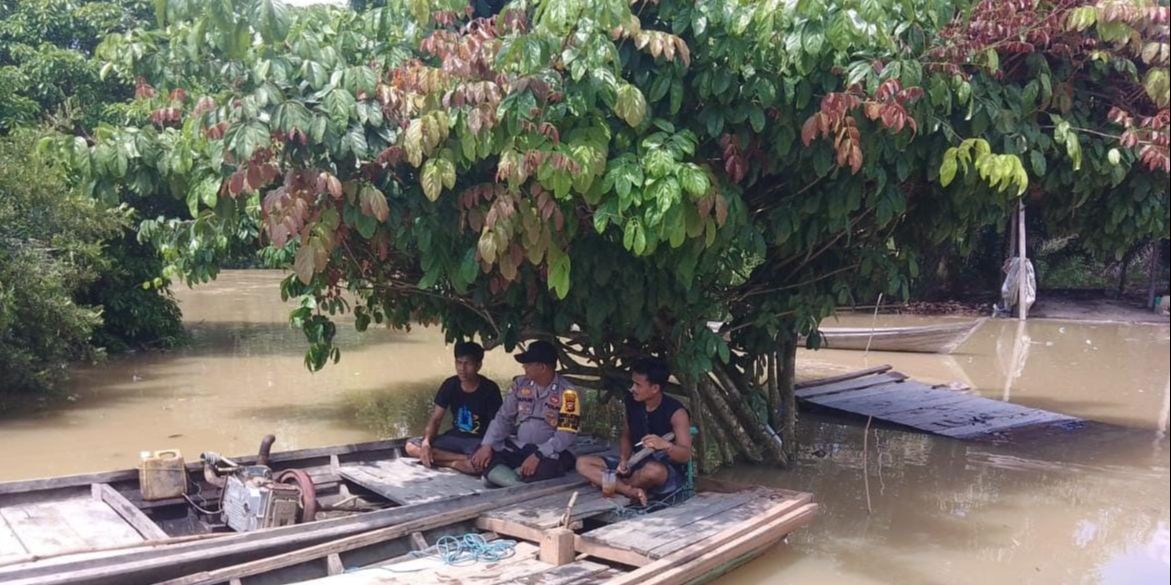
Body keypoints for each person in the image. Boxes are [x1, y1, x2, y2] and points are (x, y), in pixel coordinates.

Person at [576, 358, 691, 506]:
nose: (632, 389)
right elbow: (626, 434)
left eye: (638, 385)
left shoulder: (677, 412)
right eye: (632, 383)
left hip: (663, 471)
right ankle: (628, 490)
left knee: (653, 471)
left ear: (655, 388)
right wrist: (624, 459)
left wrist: (665, 445)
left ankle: (614, 484)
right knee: (583, 463)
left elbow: (685, 454)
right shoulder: (632, 401)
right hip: (635, 462)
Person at [470, 340, 581, 486]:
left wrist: (539, 455)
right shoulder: (519, 384)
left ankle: (501, 478)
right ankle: (516, 480)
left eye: (528, 364)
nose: (524, 367)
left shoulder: (569, 393)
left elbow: (566, 434)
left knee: (549, 467)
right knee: (482, 451)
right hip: (521, 447)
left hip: (552, 452)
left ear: (542, 367)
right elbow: (504, 418)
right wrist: (487, 445)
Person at [404, 341, 502, 475]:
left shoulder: (490, 389)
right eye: (459, 363)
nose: (462, 368)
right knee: (410, 446)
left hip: (477, 441)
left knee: (479, 465)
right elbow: (436, 419)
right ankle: (459, 461)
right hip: (454, 437)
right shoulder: (450, 384)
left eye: (468, 364)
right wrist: (426, 443)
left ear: (478, 365)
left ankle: (445, 461)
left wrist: (486, 448)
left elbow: (496, 425)